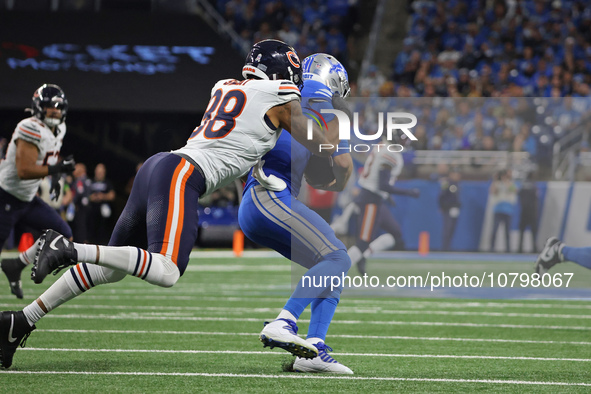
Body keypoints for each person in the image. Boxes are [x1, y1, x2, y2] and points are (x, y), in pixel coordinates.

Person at [0, 39, 340, 369]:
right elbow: (317, 146)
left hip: (159, 166)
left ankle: (22, 320)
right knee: (166, 270)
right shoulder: (280, 97)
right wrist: (335, 152)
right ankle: (70, 250)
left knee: (110, 268)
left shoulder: (225, 86)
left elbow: (244, 141)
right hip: (182, 174)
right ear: (281, 72)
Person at [238, 53, 353, 374]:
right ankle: (284, 321)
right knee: (338, 258)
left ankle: (313, 351)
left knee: (329, 270)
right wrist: (336, 180)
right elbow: (342, 169)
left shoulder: (282, 93)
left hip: (255, 201)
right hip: (271, 196)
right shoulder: (327, 105)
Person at [0, 84, 75, 300]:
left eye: (58, 107)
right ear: (38, 107)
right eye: (49, 106)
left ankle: (16, 264)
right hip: (5, 197)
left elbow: (50, 157)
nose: (54, 111)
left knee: (63, 234)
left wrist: (56, 177)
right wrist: (57, 169)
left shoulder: (59, 128)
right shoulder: (29, 127)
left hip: (28, 199)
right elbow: (24, 170)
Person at [347, 143, 420, 275]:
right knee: (363, 242)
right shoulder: (390, 153)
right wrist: (408, 192)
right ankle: (336, 270)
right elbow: (383, 185)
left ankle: (365, 254)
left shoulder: (382, 146)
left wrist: (387, 197)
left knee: (395, 233)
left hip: (376, 198)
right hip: (371, 200)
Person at [489, 169, 517, 253]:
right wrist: (495, 180)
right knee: (494, 231)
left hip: (508, 211)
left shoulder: (511, 183)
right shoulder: (497, 184)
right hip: (498, 210)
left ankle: (508, 249)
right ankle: (491, 248)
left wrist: (505, 180)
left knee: (507, 232)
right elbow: (492, 191)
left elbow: (514, 190)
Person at [88, 163, 116, 244]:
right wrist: (92, 197)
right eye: (98, 171)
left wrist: (102, 196)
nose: (99, 173)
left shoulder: (107, 183)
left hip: (103, 219)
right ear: (95, 172)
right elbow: (84, 195)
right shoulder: (90, 182)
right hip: (91, 215)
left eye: (101, 172)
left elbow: (112, 195)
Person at [439, 168, 461, 251]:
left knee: (452, 230)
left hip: (455, 209)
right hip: (448, 208)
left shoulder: (457, 184)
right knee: (447, 229)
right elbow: (441, 195)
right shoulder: (446, 183)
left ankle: (448, 247)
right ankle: (445, 248)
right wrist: (442, 206)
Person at [517, 172, 538, 253]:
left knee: (522, 231)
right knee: (533, 232)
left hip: (524, 211)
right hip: (532, 212)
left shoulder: (523, 185)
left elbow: (519, 196)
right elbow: (536, 198)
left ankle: (520, 248)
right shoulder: (534, 185)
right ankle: (534, 248)